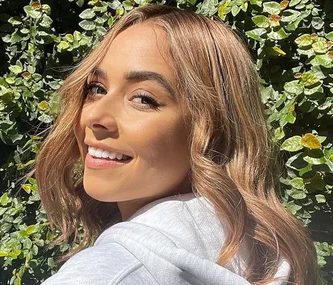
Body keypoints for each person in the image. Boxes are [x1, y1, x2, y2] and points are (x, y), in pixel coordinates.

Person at [35, 4, 319, 285]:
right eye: (96, 89)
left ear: (212, 130)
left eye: (144, 98)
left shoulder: (109, 273)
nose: (93, 115)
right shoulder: (268, 252)